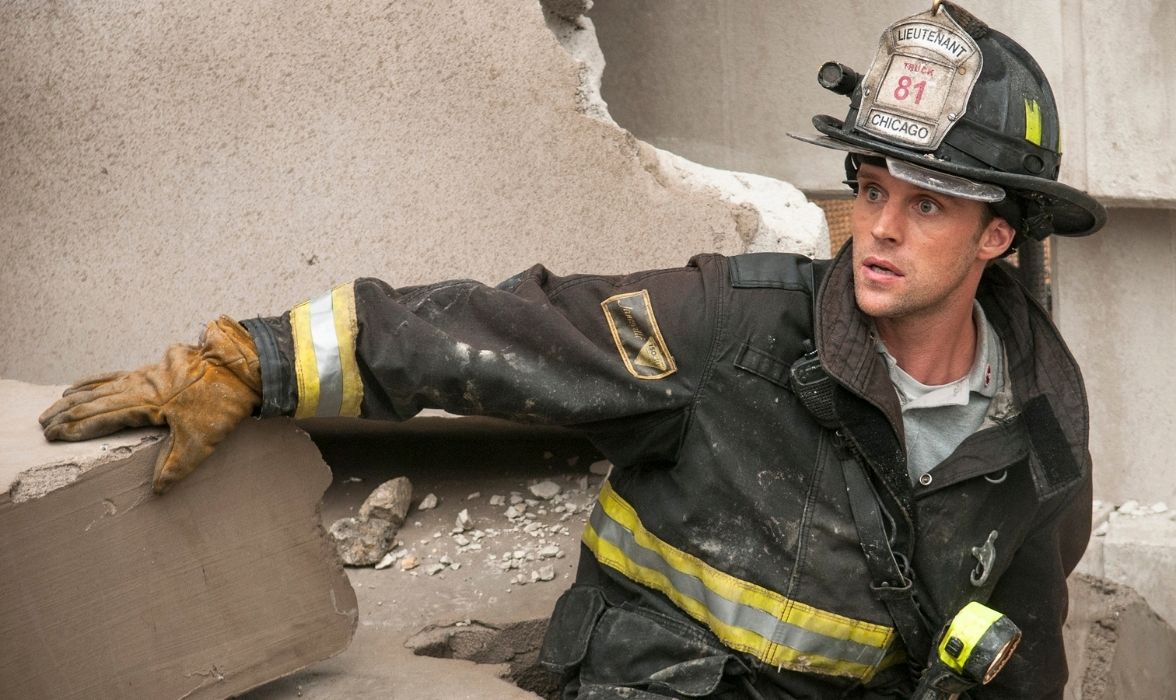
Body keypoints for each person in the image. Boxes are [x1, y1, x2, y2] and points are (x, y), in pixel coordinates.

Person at [38, 3, 1105, 697]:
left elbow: (1022, 636)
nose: (875, 227)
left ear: (997, 235)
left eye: (924, 205)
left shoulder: (1039, 422)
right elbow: (498, 330)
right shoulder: (727, 329)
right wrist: (250, 361)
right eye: (869, 188)